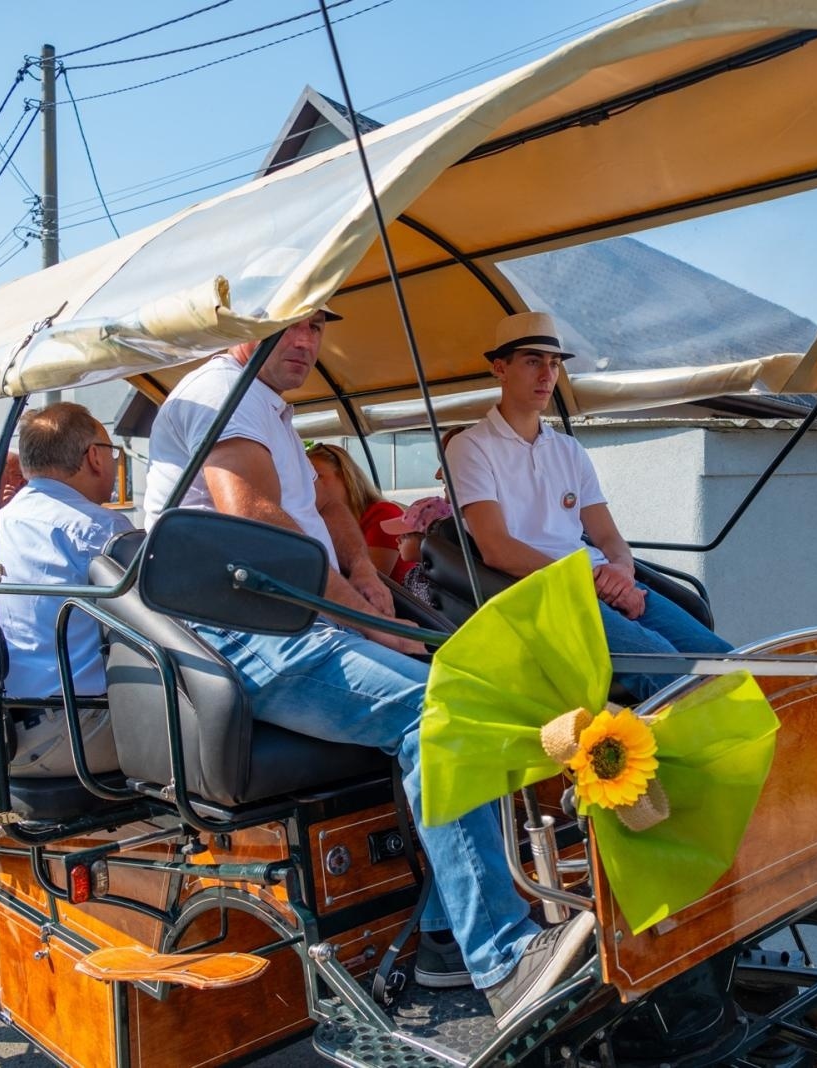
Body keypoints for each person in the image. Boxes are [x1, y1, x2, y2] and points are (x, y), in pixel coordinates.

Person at [144, 312, 596, 1028]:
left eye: (316, 327)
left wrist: (363, 572)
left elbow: (325, 501)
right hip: (245, 634)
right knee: (441, 712)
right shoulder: (218, 394)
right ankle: (503, 958)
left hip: (296, 619)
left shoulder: (266, 407)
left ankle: (447, 937)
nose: (306, 342)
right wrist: (364, 619)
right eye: (289, 326)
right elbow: (255, 522)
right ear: (243, 325)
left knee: (478, 689)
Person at [446, 311, 733, 700]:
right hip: (542, 592)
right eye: (532, 362)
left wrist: (622, 571)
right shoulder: (470, 446)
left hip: (599, 581)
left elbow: (608, 536)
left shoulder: (568, 449)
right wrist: (593, 582)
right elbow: (497, 549)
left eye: (554, 363)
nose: (547, 375)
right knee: (665, 667)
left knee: (724, 659)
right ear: (500, 368)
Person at [0, 403, 129, 777]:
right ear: (95, 457)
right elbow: (165, 624)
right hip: (74, 733)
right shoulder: (100, 528)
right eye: (113, 453)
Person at [306, 441, 414, 583]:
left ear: (345, 476)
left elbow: (369, 582)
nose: (310, 485)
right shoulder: (320, 522)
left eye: (317, 476)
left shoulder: (384, 514)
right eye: (304, 480)